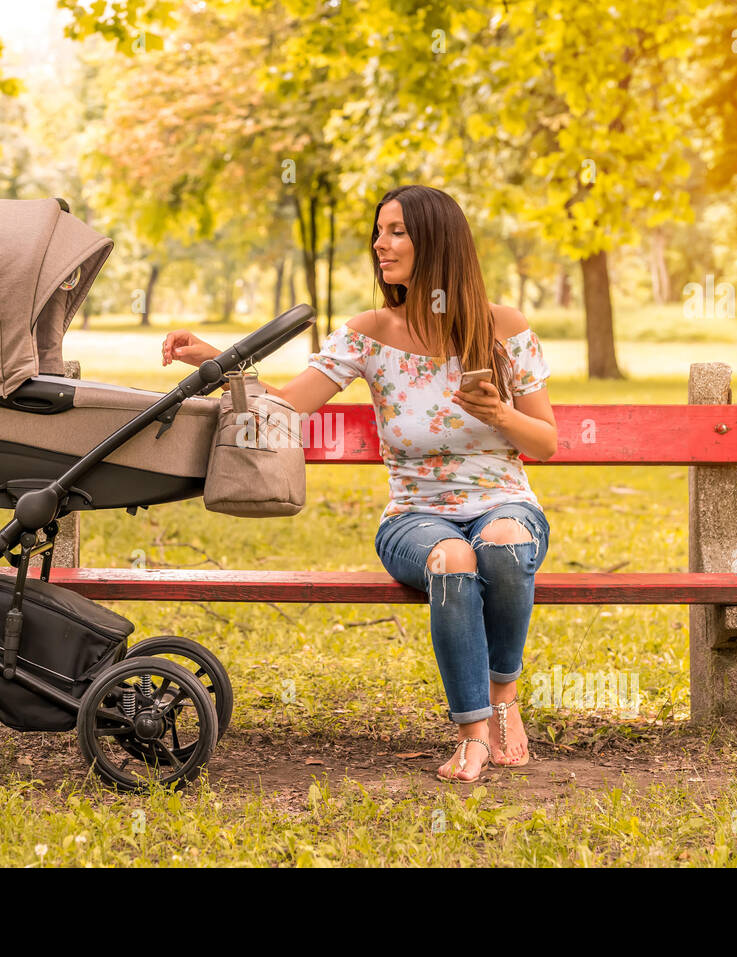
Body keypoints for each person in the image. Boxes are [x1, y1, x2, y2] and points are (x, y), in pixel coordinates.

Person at [162, 184, 557, 783]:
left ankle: (505, 699)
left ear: (438, 241)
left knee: (501, 544)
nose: (380, 244)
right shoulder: (369, 332)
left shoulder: (504, 328)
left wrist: (498, 413)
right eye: (379, 231)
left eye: (396, 231)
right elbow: (289, 405)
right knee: (453, 558)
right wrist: (217, 360)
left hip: (506, 504)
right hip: (414, 519)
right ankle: (473, 734)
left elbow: (546, 442)